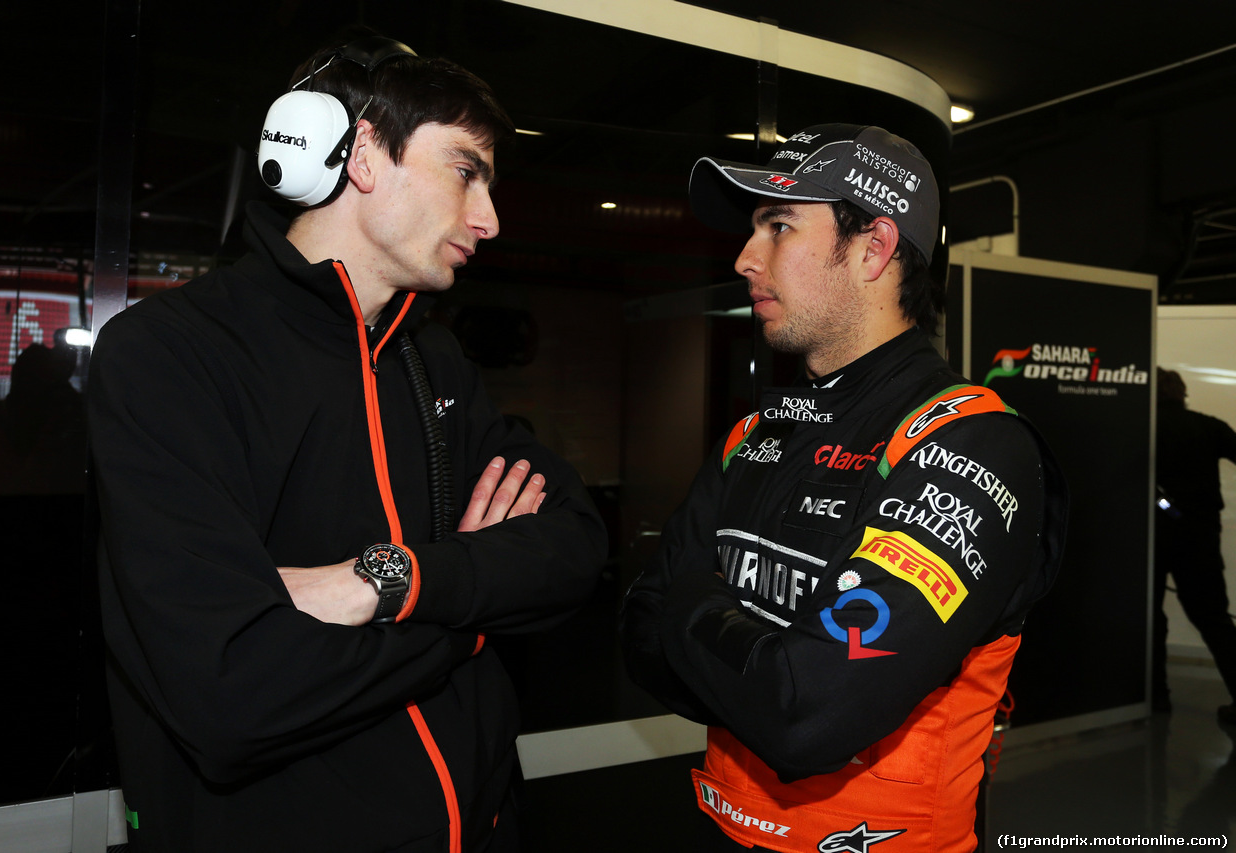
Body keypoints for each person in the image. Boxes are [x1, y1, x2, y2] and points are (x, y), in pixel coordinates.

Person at [88, 30, 606, 853]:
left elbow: (576, 543)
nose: (491, 219)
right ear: (361, 152)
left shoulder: (432, 359)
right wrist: (474, 609)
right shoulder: (169, 355)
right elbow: (232, 693)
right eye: (466, 170)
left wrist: (390, 581)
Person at [619, 124, 1067, 852]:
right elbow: (636, 634)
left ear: (874, 248)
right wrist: (753, 664)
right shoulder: (757, 433)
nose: (744, 256)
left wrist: (691, 604)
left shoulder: (970, 440)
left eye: (779, 225)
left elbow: (808, 714)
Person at [1153, 367, 1236, 723]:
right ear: (1181, 392)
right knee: (1214, 619)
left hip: (1152, 535)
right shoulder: (1209, 425)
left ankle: (1156, 700)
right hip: (1200, 537)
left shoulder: (1143, 428)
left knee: (1151, 618)